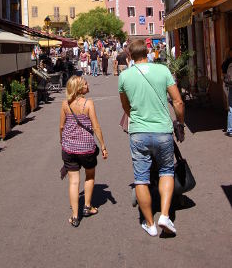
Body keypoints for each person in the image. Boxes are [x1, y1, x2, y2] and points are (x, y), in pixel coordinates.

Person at [119, 39, 185, 236]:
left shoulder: (124, 76)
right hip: (163, 131)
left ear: (130, 56)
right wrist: (180, 123)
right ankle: (165, 215)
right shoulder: (163, 71)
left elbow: (125, 106)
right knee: (166, 171)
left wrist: (138, 119)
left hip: (138, 132)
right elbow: (178, 101)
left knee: (141, 179)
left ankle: (150, 224)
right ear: (147, 53)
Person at [60, 76, 108, 227]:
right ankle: (87, 206)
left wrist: (62, 140)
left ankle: (75, 216)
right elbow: (96, 126)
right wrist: (103, 145)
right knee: (89, 175)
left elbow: (61, 126)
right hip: (86, 148)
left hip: (69, 148)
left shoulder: (65, 104)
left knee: (74, 181)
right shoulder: (88, 103)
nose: (88, 85)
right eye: (85, 83)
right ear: (79, 88)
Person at [222, 47, 232, 137]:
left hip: (228, 85)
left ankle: (230, 129)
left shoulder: (225, 63)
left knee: (230, 107)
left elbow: (224, 76)